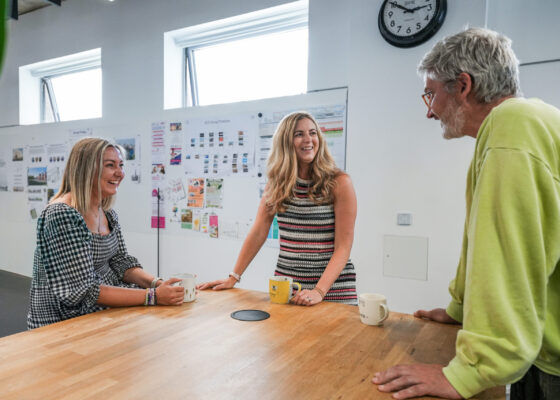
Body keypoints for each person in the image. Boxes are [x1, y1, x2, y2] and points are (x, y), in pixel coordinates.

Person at [372, 28, 560, 399]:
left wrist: (472, 370)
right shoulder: (517, 126)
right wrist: (459, 307)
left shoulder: (514, 128)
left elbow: (510, 257)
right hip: (540, 348)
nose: (429, 111)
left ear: (463, 85)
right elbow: (480, 239)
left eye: (431, 94)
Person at [198, 111, 358, 305]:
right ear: (285, 142)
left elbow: (343, 247)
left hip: (333, 291)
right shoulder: (277, 184)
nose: (308, 139)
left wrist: (318, 291)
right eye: (299, 134)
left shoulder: (339, 182)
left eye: (313, 133)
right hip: (288, 288)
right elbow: (258, 231)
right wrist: (233, 277)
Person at [28, 137, 184, 329]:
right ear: (86, 169)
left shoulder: (107, 213)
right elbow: (84, 291)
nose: (120, 173)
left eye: (121, 165)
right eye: (110, 165)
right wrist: (153, 296)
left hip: (101, 314)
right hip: (61, 323)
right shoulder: (62, 214)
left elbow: (121, 263)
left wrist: (157, 284)